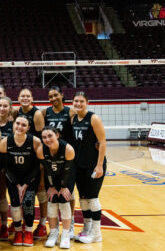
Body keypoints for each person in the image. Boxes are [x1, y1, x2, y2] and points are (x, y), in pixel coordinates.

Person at [0, 115, 41, 247]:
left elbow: (37, 167)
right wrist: (17, 184)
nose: (20, 127)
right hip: (13, 178)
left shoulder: (35, 141)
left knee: (28, 203)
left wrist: (26, 184)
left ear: (28, 128)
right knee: (16, 205)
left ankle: (28, 232)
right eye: (17, 123)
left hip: (31, 178)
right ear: (13, 124)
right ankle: (18, 232)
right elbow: (6, 167)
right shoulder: (5, 142)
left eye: (24, 125)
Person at [71, 91, 107, 244]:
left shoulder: (93, 118)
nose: (78, 104)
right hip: (80, 165)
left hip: (93, 165)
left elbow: (103, 142)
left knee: (92, 198)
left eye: (81, 101)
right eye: (76, 101)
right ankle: (87, 230)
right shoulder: (74, 119)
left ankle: (97, 234)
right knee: (83, 199)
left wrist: (99, 166)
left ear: (87, 102)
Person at [41, 86, 76, 238]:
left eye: (56, 95)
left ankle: (71, 223)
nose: (53, 98)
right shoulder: (45, 112)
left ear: (62, 95)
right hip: (51, 155)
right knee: (52, 191)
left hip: (67, 154)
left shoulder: (71, 112)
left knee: (69, 192)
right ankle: (53, 230)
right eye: (50, 96)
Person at [13, 88, 47, 239]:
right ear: (18, 98)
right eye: (22, 96)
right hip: (20, 156)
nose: (25, 98)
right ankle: (20, 223)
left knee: (40, 189)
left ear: (32, 98)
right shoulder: (16, 112)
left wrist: (41, 161)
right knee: (21, 193)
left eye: (28, 96)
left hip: (34, 156)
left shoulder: (37, 114)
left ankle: (42, 224)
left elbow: (43, 139)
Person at [38, 127, 75, 249]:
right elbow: (47, 170)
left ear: (57, 135)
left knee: (64, 201)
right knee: (52, 201)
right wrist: (52, 187)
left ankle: (65, 234)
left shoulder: (68, 149)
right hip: (52, 177)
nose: (47, 139)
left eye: (50, 136)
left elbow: (67, 171)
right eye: (44, 137)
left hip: (67, 176)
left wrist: (64, 187)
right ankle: (53, 233)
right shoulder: (41, 150)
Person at [0, 97, 14, 240]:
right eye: (0, 105)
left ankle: (4, 225)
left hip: (5, 167)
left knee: (2, 197)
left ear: (10, 108)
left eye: (5, 106)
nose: (2, 108)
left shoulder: (13, 125)